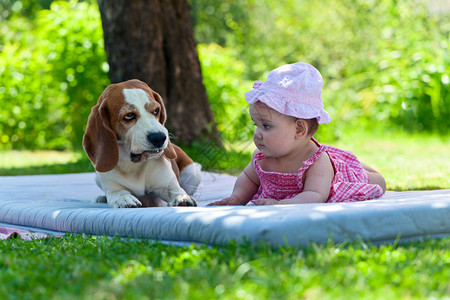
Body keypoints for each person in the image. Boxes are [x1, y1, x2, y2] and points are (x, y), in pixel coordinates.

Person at [208, 62, 386, 206]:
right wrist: (237, 198)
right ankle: (342, 159)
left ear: (299, 129)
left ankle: (348, 163)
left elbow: (315, 195)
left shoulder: (316, 161)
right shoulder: (261, 157)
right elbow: (249, 179)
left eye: (266, 126)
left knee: (378, 182)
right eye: (257, 125)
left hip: (338, 178)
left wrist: (284, 203)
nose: (258, 134)